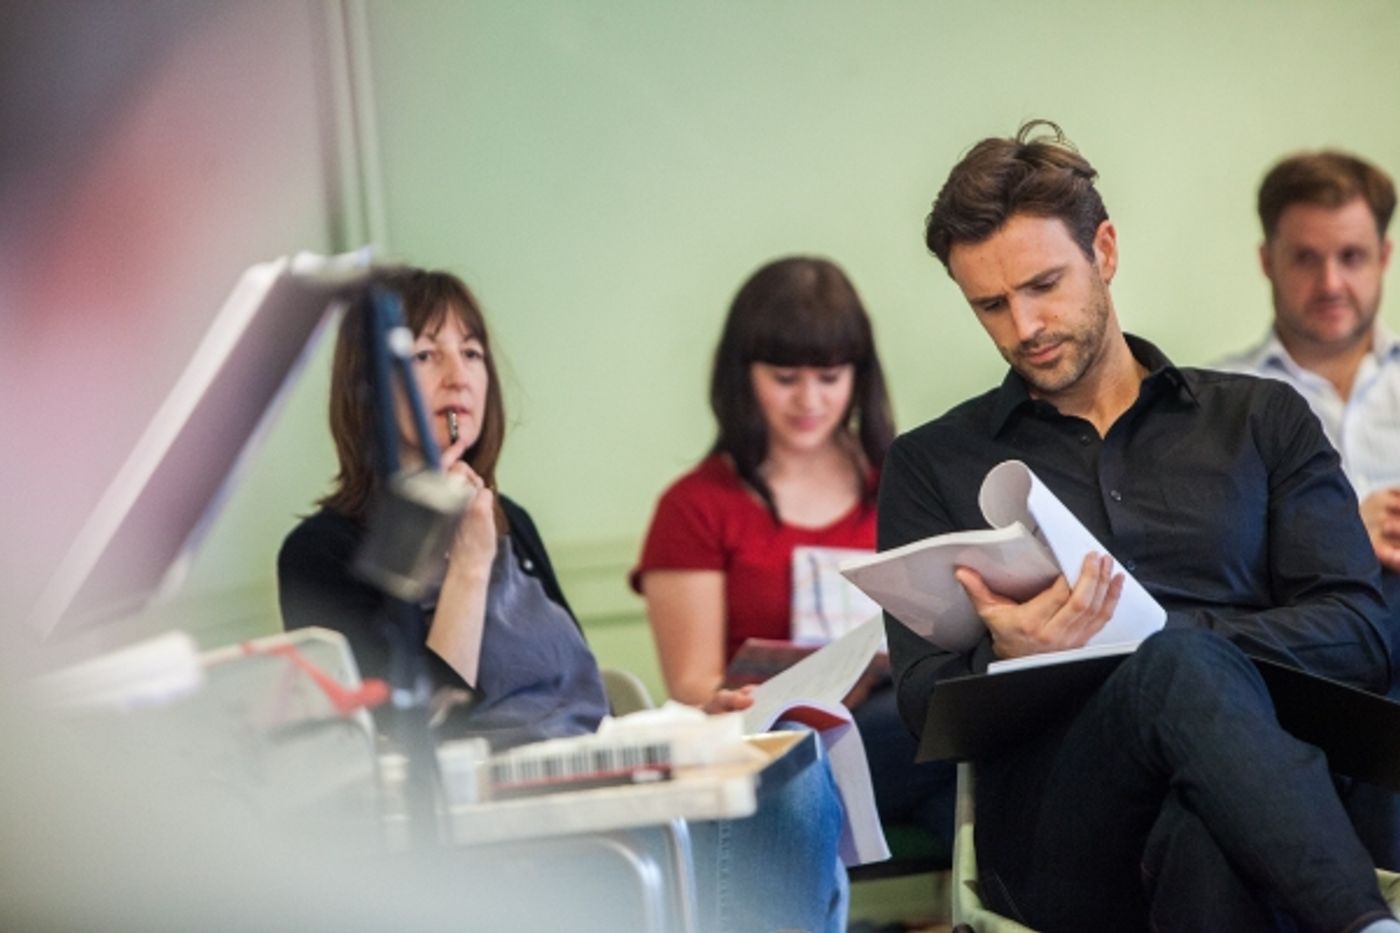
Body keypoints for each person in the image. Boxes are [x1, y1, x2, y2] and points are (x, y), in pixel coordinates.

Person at [880, 120, 1400, 931]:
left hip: (1259, 800)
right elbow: (919, 702)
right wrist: (1005, 655)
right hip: (1063, 832)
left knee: (1203, 818)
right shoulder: (931, 462)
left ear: (1106, 252)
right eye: (990, 304)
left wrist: (1168, 645)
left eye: (1044, 284)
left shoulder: (1261, 420)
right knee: (1177, 678)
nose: (1024, 327)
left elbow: (1363, 631)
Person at [277, 267, 848, 932]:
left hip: (605, 796)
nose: (457, 376)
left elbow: (584, 708)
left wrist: (693, 719)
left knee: (796, 761)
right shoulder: (321, 550)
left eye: (472, 352)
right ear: (368, 387)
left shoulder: (509, 517)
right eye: (426, 355)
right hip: (508, 844)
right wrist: (465, 566)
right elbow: (405, 739)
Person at [631, 256, 956, 853]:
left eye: (830, 378)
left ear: (859, 377)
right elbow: (692, 684)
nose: (809, 400)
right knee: (947, 742)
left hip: (897, 732)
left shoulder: (902, 485)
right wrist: (764, 695)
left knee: (970, 790)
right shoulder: (695, 506)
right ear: (742, 375)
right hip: (775, 747)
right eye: (785, 378)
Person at [1213, 150, 1400, 869]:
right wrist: (1339, 536)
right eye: (1306, 258)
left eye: (1352, 256)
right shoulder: (1218, 403)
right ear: (1267, 259)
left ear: (1383, 256)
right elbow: (1210, 565)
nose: (1331, 282)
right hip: (1300, 660)